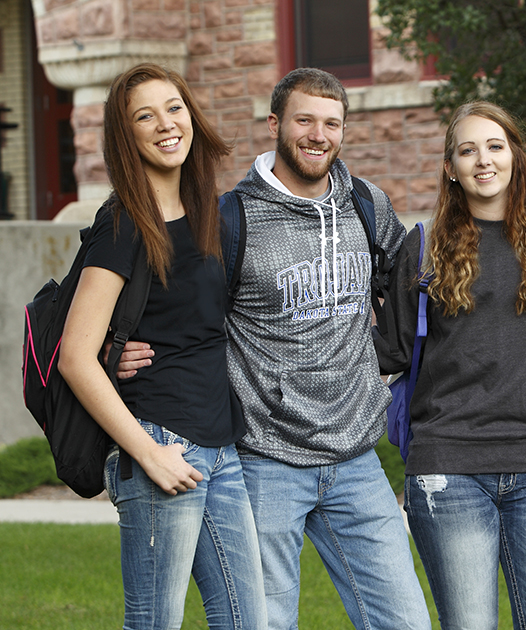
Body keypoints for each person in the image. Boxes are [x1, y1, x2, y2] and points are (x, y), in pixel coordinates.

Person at [118, 67, 430, 630]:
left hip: (357, 459)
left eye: (332, 123)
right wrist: (115, 352)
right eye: (304, 120)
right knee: (260, 624)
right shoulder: (229, 218)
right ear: (274, 124)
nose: (319, 135)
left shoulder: (367, 203)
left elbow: (407, 288)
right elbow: (183, 316)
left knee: (406, 621)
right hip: (266, 461)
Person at [373, 101, 526, 629]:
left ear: (514, 157)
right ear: (449, 167)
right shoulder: (423, 247)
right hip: (448, 467)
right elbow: (386, 350)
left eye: (495, 146)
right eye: (467, 150)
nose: (483, 160)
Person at [58, 63, 266, 629]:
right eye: (143, 117)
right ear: (126, 136)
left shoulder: (206, 215)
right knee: (154, 622)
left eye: (173, 108)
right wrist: (148, 454)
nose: (165, 124)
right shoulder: (124, 225)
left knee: (248, 620)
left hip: (220, 450)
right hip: (160, 444)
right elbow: (75, 355)